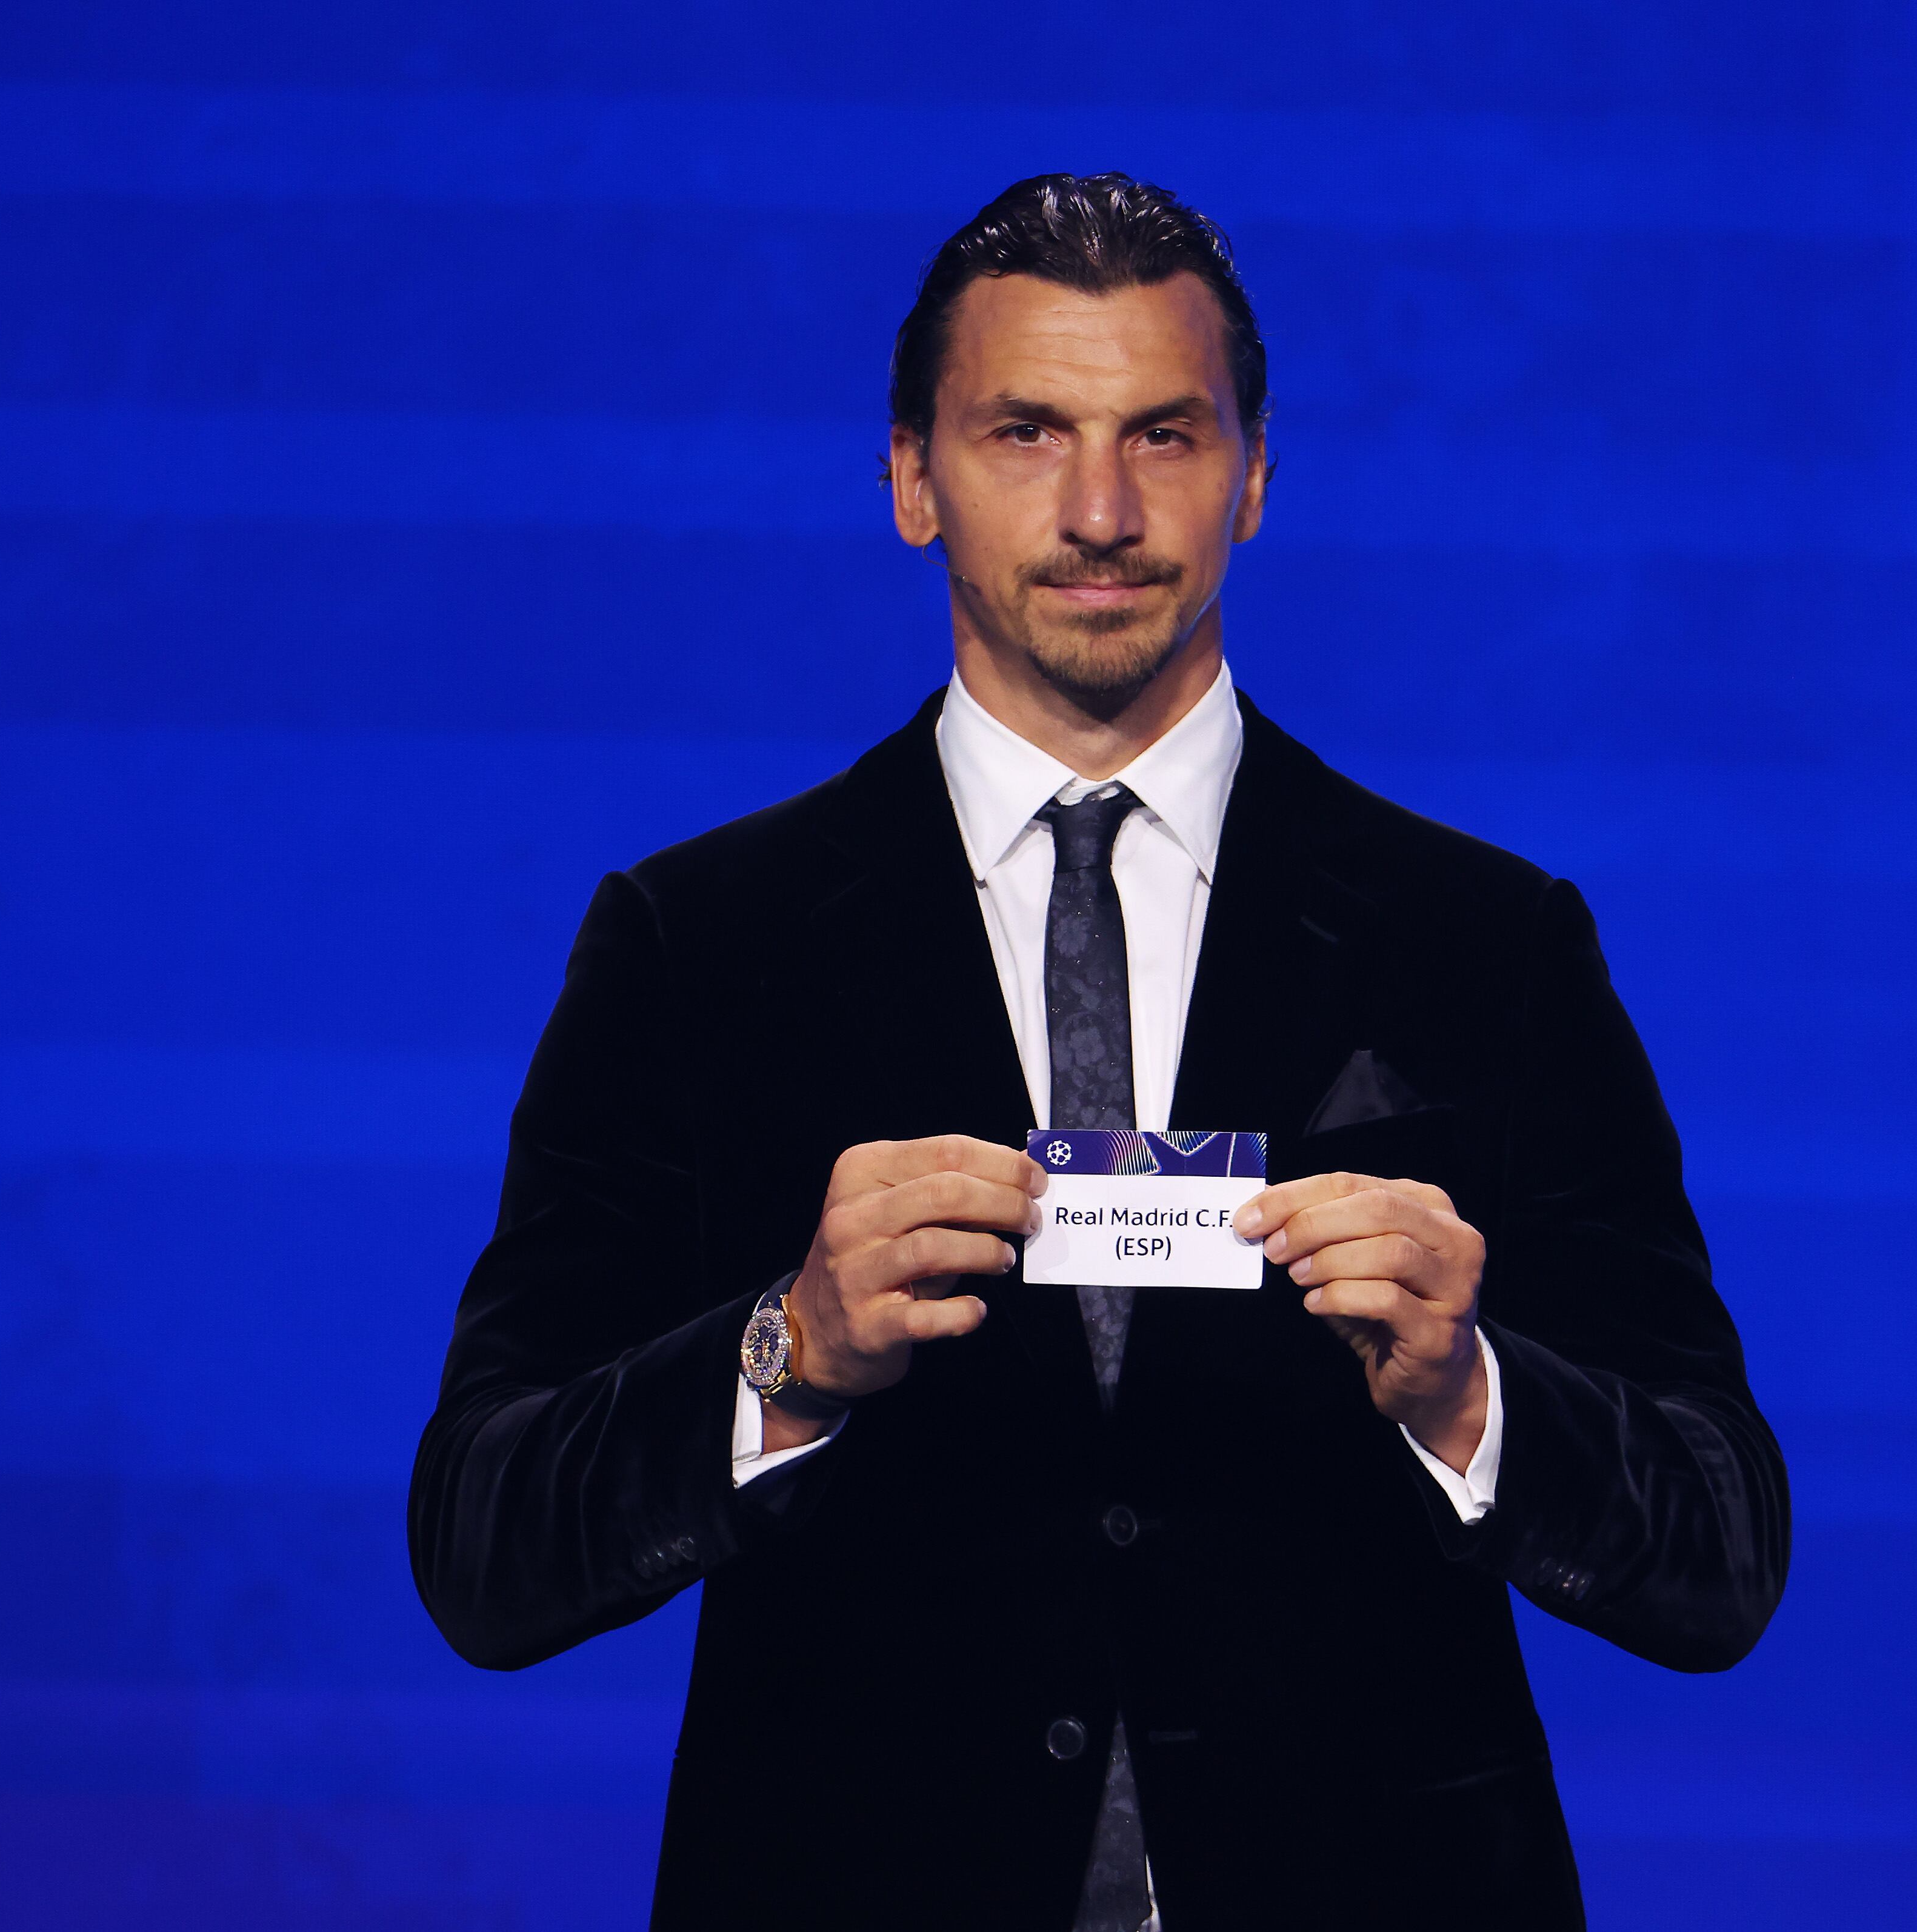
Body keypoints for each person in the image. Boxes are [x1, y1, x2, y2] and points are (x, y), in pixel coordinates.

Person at [409, 173, 1789, 1931]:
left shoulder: (1486, 945)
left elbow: (1722, 1550)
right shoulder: (702, 947)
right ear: (911, 478)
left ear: (1257, 476)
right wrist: (789, 1350)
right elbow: (482, 1543)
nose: (1101, 509)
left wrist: (1471, 1391)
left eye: (1164, 433)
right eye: (1024, 431)